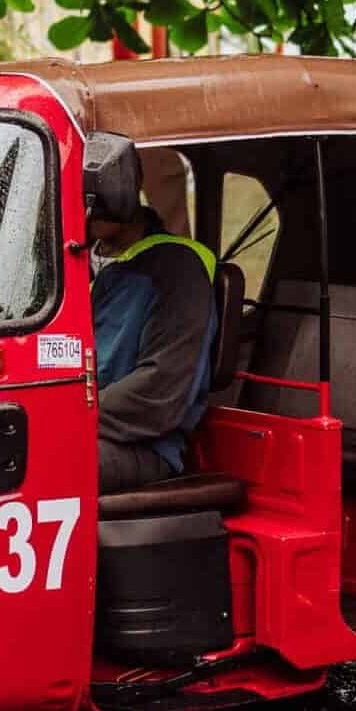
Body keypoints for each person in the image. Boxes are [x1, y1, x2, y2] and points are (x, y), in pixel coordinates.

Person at [90, 198, 218, 493]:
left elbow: (161, 391)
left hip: (143, 445)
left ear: (120, 182)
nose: (89, 202)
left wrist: (67, 417)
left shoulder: (177, 268)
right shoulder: (69, 260)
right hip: (90, 428)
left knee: (44, 463)